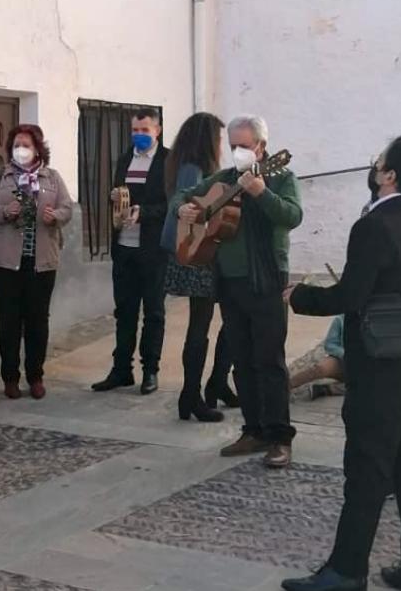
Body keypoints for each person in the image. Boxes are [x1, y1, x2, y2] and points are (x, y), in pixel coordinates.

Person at [281, 136, 401, 591]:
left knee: (368, 467)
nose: (374, 166)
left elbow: (351, 297)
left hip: (380, 364)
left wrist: (300, 297)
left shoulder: (374, 225)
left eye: (380, 162)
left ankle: (347, 570)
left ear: (389, 175)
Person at [173, 114, 303, 468]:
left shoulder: (280, 176)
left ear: (261, 146)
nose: (238, 152)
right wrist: (185, 209)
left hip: (266, 279)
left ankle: (279, 436)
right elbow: (184, 197)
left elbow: (292, 216)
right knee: (242, 360)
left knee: (270, 361)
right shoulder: (225, 179)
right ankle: (254, 429)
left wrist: (262, 194)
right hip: (228, 282)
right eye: (233, 146)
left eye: (245, 146)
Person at [0, 124, 74, 400]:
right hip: (5, 261)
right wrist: (3, 211)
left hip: (41, 260)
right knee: (9, 320)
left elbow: (67, 208)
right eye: (17, 144)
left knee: (37, 320)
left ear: (37, 148)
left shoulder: (51, 177)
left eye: (27, 145)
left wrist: (54, 215)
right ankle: (10, 377)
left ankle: (36, 375)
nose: (21, 149)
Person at [156, 111, 235, 422]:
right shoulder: (193, 169)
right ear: (206, 140)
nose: (221, 144)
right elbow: (191, 209)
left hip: (197, 251)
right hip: (196, 253)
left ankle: (213, 385)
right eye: (217, 138)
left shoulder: (189, 165)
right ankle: (192, 395)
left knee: (214, 322)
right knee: (200, 327)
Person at [93, 108, 170, 396]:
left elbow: (171, 204)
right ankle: (121, 370)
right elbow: (117, 194)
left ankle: (150, 370)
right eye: (135, 130)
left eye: (144, 130)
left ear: (157, 131)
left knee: (154, 312)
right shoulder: (126, 158)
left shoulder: (167, 160)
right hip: (124, 247)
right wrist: (113, 196)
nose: (139, 135)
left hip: (152, 250)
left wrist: (145, 212)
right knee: (124, 311)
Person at [289, 316, 345, 394]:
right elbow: (330, 345)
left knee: (363, 386)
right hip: (342, 361)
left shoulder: (367, 321)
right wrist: (345, 354)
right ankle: (286, 386)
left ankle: (327, 389)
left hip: (362, 368)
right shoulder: (340, 319)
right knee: (319, 369)